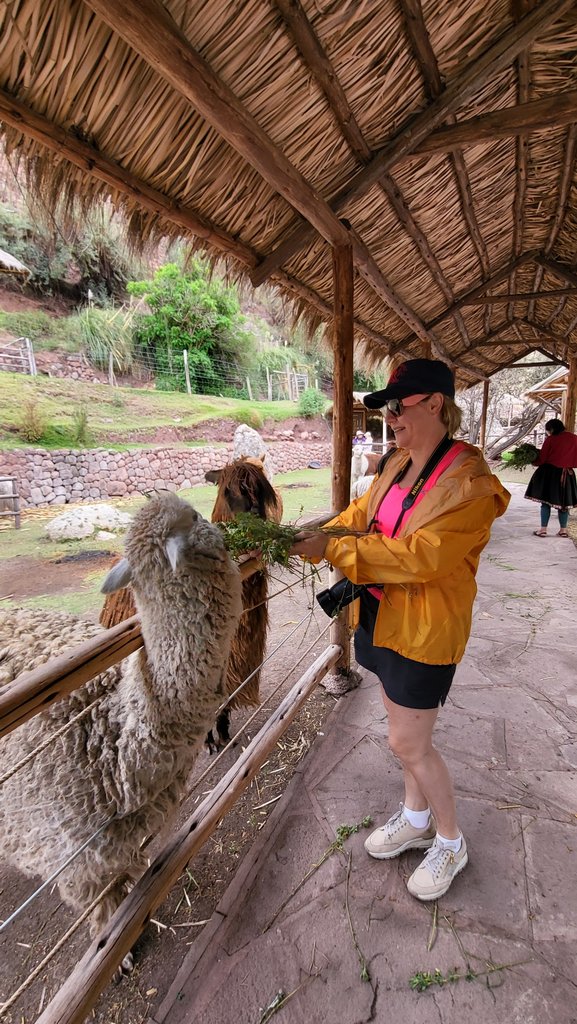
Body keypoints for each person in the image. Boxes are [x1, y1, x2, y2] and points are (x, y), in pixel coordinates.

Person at [291, 358, 510, 901]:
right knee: (409, 737)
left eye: (398, 405)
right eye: (387, 408)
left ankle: (451, 841)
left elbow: (422, 558)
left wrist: (334, 547)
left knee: (407, 743)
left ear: (435, 404)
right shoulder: (397, 462)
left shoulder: (470, 484)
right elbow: (361, 514)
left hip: (426, 630)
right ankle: (415, 819)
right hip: (383, 618)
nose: (389, 417)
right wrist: (317, 533)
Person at [525, 418, 577, 537]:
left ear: (551, 429)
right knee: (563, 504)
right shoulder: (574, 438)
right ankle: (563, 530)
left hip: (550, 474)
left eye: (548, 430)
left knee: (545, 502)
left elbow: (542, 458)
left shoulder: (551, 439)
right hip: (567, 475)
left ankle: (543, 530)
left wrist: (533, 460)